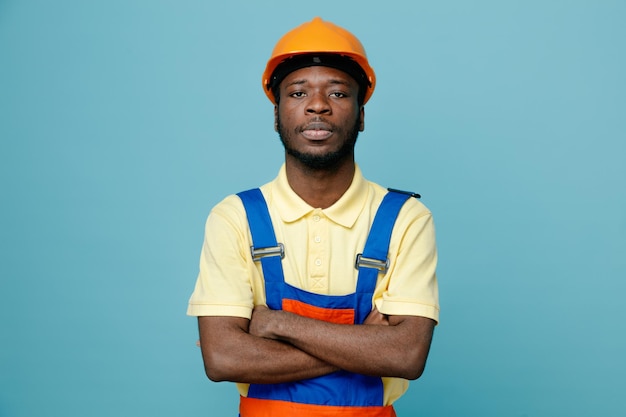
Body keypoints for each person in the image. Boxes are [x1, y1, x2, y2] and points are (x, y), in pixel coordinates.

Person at [187, 16, 439, 417]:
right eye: (298, 92)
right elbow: (222, 359)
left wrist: (277, 325)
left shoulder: (406, 218)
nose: (318, 104)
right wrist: (364, 344)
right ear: (276, 115)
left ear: (360, 115)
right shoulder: (235, 217)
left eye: (338, 93)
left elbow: (406, 355)